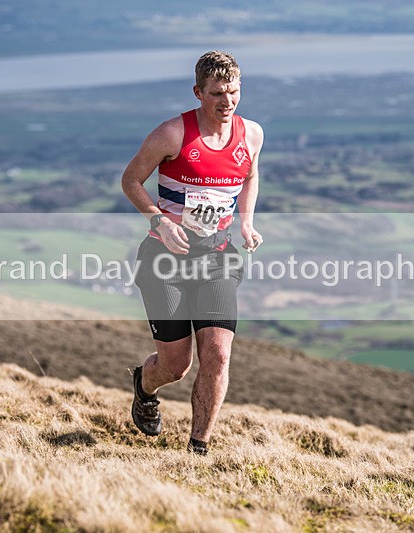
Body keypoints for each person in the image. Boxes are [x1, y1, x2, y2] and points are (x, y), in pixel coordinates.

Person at [121, 50, 264, 455]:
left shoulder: (251, 134)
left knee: (217, 353)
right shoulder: (172, 134)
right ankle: (144, 386)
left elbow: (250, 175)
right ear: (198, 92)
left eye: (233, 91)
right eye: (217, 93)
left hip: (217, 256)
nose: (227, 101)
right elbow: (131, 180)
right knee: (175, 366)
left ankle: (198, 448)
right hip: (164, 259)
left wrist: (246, 222)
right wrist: (159, 222)